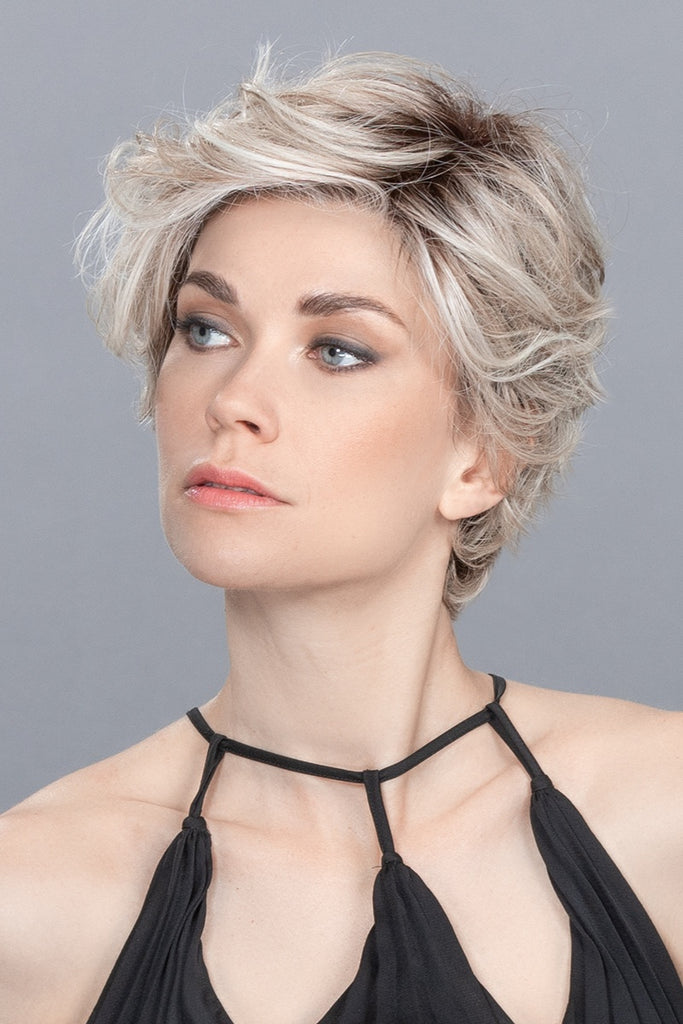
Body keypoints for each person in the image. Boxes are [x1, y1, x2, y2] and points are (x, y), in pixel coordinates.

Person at [0, 51, 681, 1024]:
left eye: (336, 349)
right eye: (205, 329)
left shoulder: (660, 813)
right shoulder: (36, 896)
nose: (232, 400)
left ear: (483, 455)